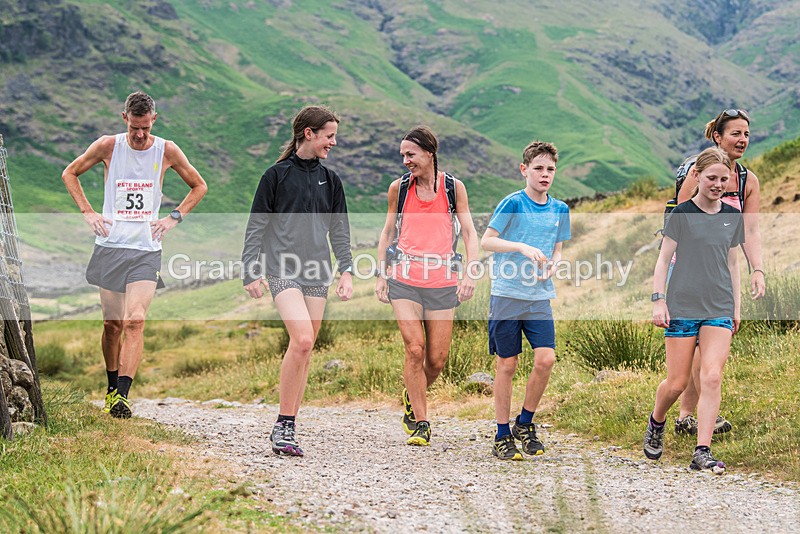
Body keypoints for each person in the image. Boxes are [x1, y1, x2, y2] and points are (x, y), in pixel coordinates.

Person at [62, 91, 208, 418]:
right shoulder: (108, 146)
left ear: (153, 120)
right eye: (134, 128)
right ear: (124, 118)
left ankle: (123, 397)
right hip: (110, 247)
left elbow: (199, 186)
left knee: (135, 320)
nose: (140, 135)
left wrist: (173, 218)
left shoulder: (166, 150)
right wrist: (88, 212)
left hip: (146, 249)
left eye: (145, 128)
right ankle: (111, 386)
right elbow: (69, 173)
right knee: (112, 324)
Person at [242, 105, 353, 457]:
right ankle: (283, 425)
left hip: (317, 271)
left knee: (305, 350)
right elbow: (257, 224)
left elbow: (340, 229)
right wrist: (250, 268)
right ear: (309, 133)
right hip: (282, 268)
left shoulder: (331, 181)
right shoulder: (276, 176)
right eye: (329, 135)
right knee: (302, 339)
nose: (333, 142)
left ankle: (289, 424)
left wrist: (346, 270)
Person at [375, 125, 478, 447]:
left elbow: (471, 233)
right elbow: (387, 232)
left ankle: (411, 394)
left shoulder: (453, 188)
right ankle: (421, 422)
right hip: (403, 280)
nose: (406, 161)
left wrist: (470, 273)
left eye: (411, 154)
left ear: (429, 153)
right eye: (403, 155)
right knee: (415, 348)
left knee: (436, 360)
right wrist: (381, 273)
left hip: (442, 281)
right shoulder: (399, 188)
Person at [645, 147, 744, 473]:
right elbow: (662, 260)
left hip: (718, 306)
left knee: (712, 376)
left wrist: (736, 306)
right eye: (711, 178)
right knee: (676, 382)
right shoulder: (682, 214)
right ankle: (657, 421)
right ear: (698, 177)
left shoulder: (732, 216)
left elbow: (733, 263)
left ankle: (702, 451)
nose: (717, 184)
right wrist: (659, 299)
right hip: (683, 305)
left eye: (723, 179)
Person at [674, 108, 765, 436]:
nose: (742, 140)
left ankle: (690, 416)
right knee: (694, 345)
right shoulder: (696, 174)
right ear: (717, 137)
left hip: (722, 270)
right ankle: (686, 414)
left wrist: (757, 270)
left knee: (708, 340)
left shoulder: (747, 181)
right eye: (735, 134)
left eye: (746, 134)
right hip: (687, 270)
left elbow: (750, 231)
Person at [480, 141, 570, 460]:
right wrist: (520, 247)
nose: (545, 175)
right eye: (538, 169)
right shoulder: (513, 203)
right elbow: (487, 240)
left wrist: (555, 263)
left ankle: (525, 423)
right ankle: (502, 434)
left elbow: (558, 247)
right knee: (508, 364)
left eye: (550, 170)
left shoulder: (560, 209)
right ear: (524, 170)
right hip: (507, 295)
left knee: (545, 359)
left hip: (539, 298)